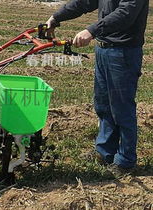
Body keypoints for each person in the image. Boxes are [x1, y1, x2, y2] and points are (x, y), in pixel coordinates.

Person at [46, 0, 149, 173]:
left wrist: (91, 30)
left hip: (123, 52)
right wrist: (56, 17)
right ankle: (105, 152)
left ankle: (125, 160)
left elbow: (126, 14)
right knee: (103, 105)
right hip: (103, 50)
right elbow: (85, 2)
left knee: (121, 108)